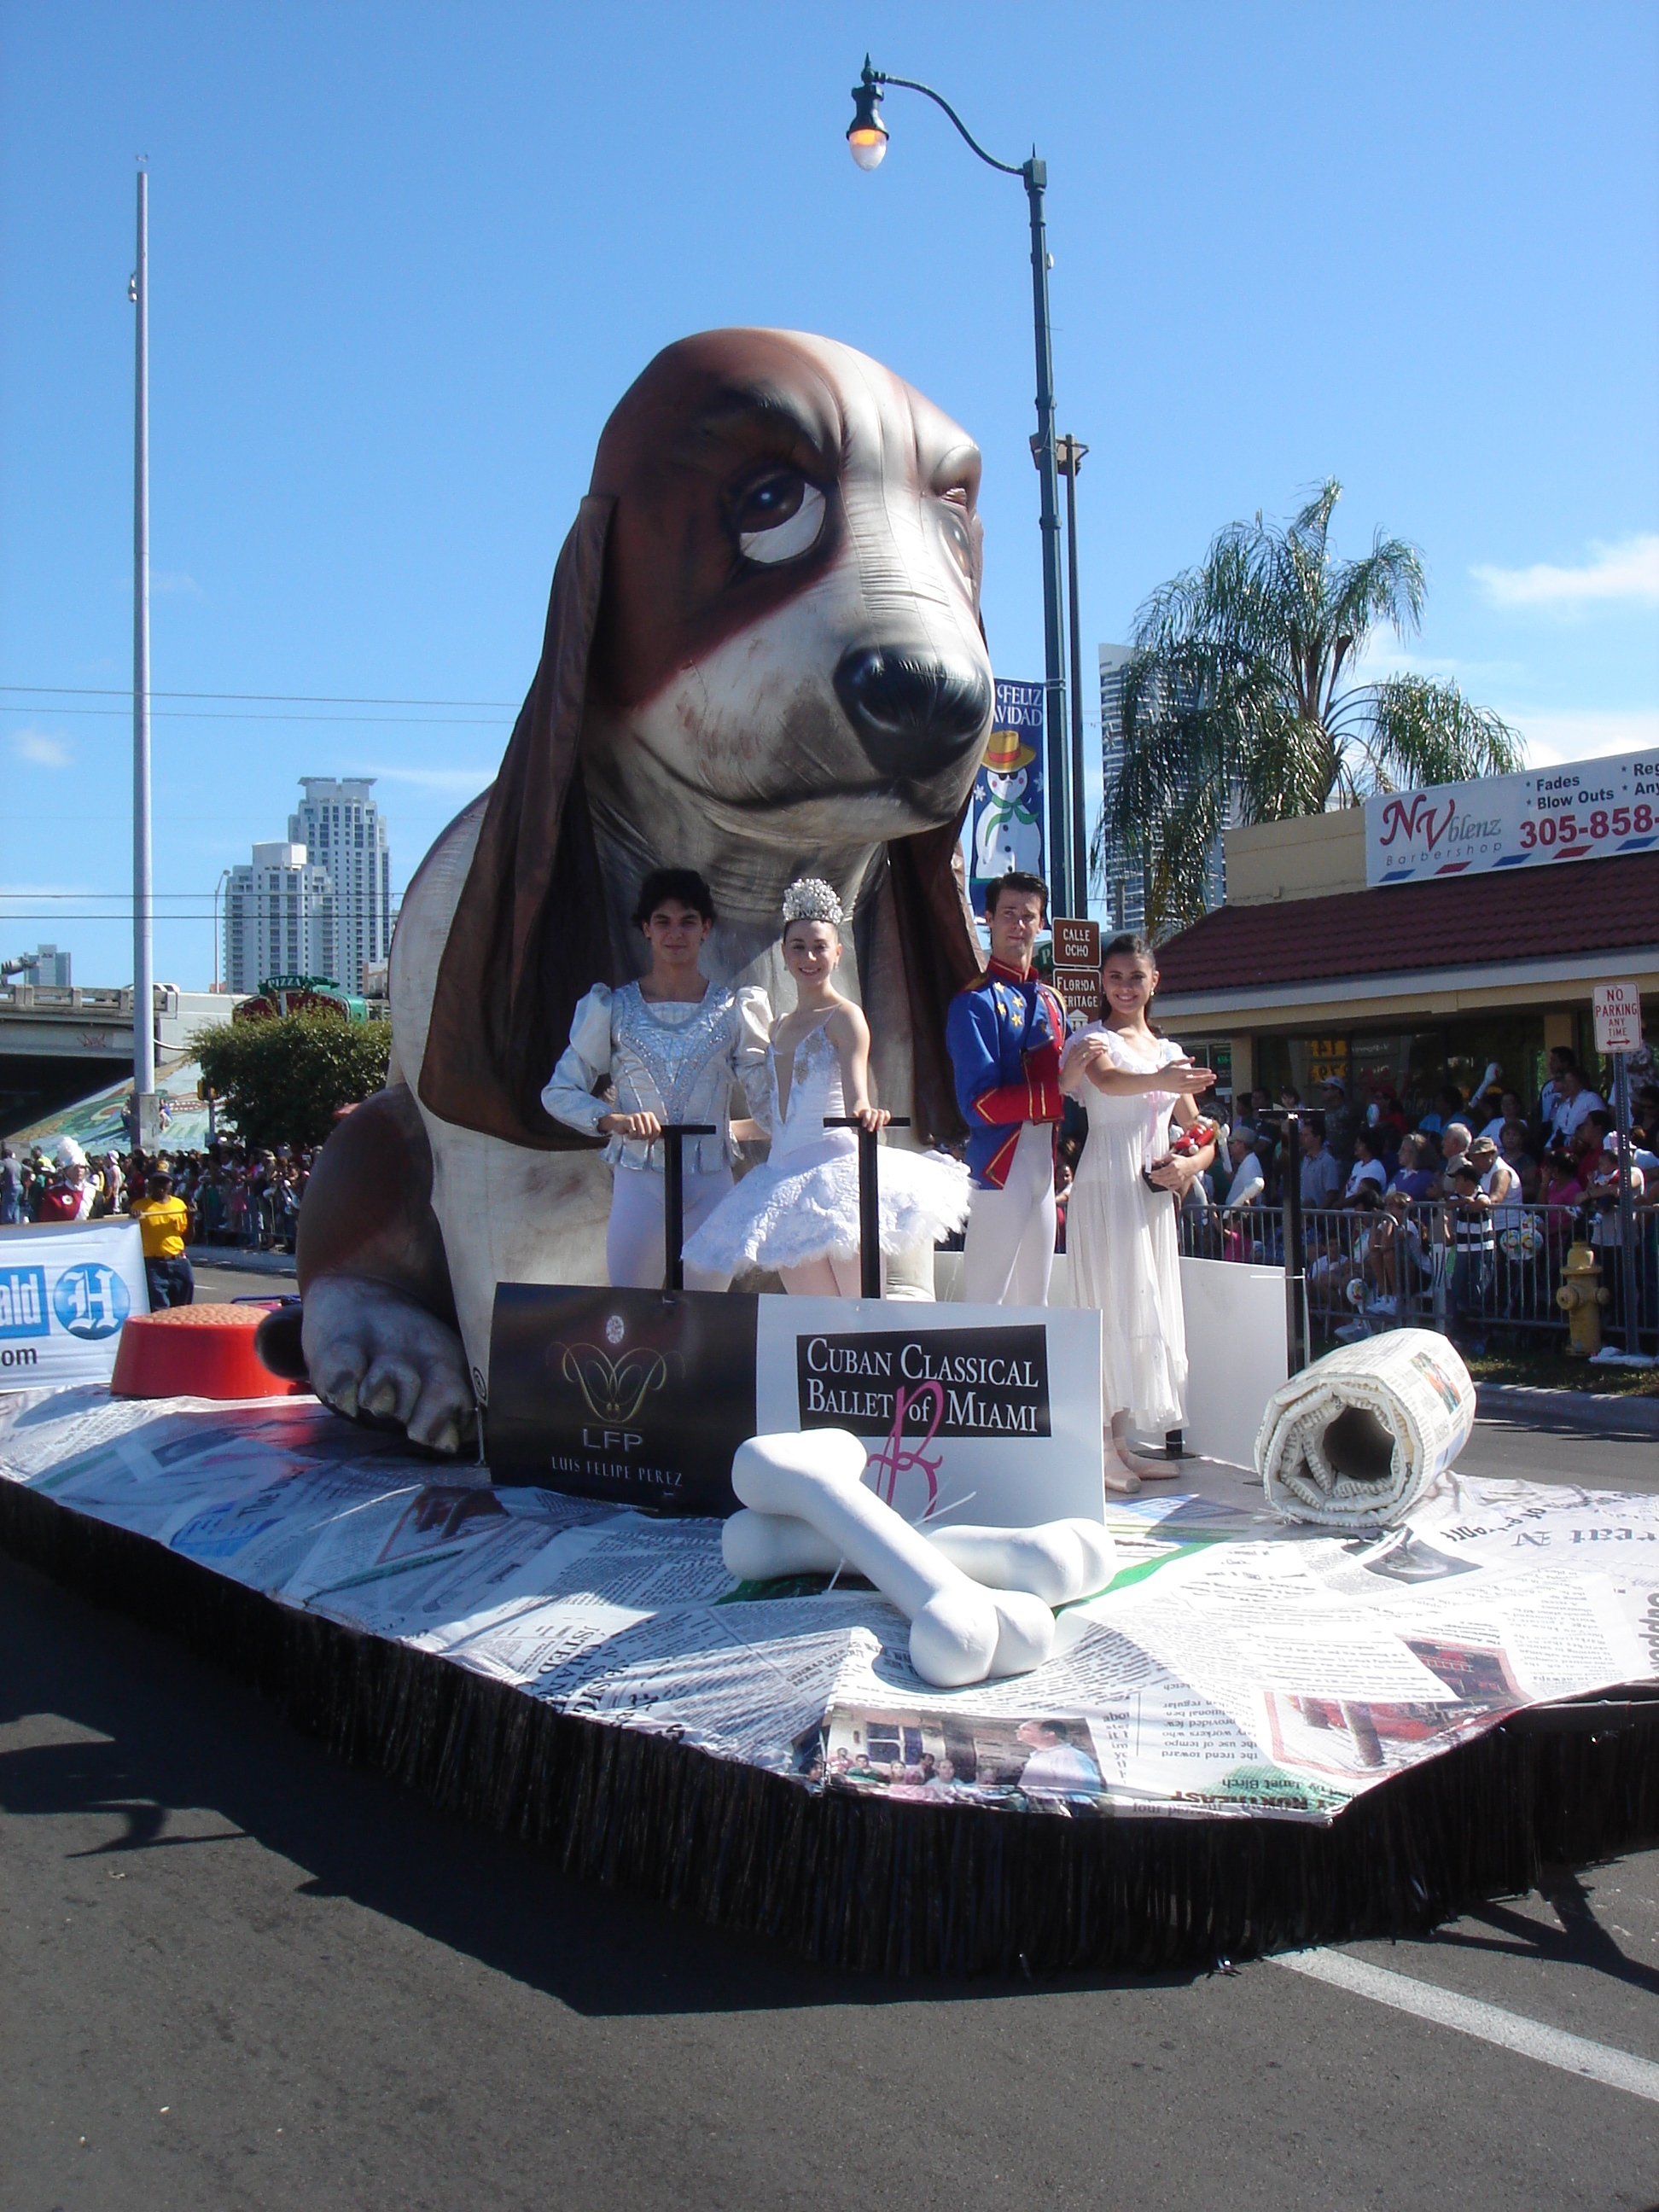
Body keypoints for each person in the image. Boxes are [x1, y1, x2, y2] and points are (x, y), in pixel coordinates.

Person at [683, 879, 969, 1295]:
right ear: (783, 955)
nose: (809, 957)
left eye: (819, 946)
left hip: (836, 1181)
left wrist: (867, 1113)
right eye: (798, 946)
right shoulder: (778, 1027)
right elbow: (780, 1121)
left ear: (837, 953)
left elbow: (856, 1101)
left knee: (861, 1310)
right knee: (814, 1317)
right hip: (782, 1183)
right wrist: (725, 1129)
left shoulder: (845, 1017)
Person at [541, 867, 771, 1289]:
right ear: (646, 929)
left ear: (706, 928)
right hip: (639, 1187)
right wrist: (614, 1121)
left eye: (687, 921)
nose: (674, 933)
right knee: (633, 1323)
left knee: (707, 1326)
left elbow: (769, 1105)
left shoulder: (735, 1011)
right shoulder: (614, 1009)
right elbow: (558, 1092)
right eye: (662, 921)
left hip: (711, 1186)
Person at [1060, 931, 1217, 1492]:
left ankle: (1125, 1444)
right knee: (1105, 1304)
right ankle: (1100, 1444)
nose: (1126, 987)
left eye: (1136, 977)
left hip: (1150, 1197)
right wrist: (1163, 1081)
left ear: (1155, 982)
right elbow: (1109, 1083)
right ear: (1102, 981)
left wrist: (1189, 1167)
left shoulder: (1170, 1054)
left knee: (1141, 1309)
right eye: (1116, 977)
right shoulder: (1091, 1040)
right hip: (1105, 1185)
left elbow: (1199, 1130)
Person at [946, 871, 1067, 1307]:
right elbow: (977, 1105)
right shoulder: (974, 1003)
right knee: (985, 1305)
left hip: (1044, 1170)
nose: (1019, 924)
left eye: (1028, 916)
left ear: (1042, 923)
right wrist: (1058, 1090)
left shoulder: (1052, 1000)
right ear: (988, 919)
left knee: (1036, 1305)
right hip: (999, 1169)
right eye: (1009, 914)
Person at [131, 1172, 195, 1308]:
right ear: (150, 1184)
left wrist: (191, 1219)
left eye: (164, 1182)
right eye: (157, 1182)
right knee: (160, 1307)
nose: (160, 1186)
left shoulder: (179, 1205)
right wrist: (132, 1219)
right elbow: (130, 1236)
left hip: (178, 1261)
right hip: (154, 1264)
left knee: (183, 1307)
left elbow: (187, 1239)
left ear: (170, 1184)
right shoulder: (139, 1206)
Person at [1298, 1115, 1341, 1211]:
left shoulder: (1327, 1161)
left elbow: (1332, 1193)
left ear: (1318, 1137)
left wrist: (1318, 1214)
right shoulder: (1305, 1159)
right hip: (1304, 1217)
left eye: (1306, 1135)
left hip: (1319, 1220)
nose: (1302, 1139)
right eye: (1302, 1135)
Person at [1222, 1125, 1266, 1209]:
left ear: (1241, 1145)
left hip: (1240, 1218)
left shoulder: (1250, 1164)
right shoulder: (1247, 1162)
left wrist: (1242, 1218)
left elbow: (1252, 1196)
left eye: (1232, 1143)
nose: (1229, 1146)